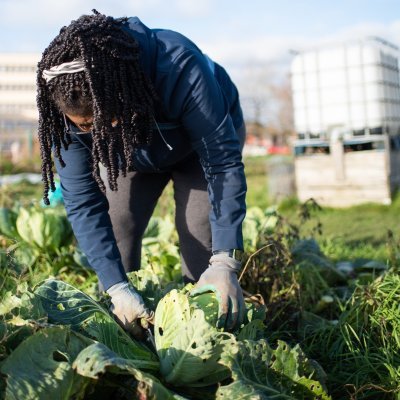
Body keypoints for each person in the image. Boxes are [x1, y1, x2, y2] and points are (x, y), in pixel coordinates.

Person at [36, 10, 247, 335]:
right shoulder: (63, 113)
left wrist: (224, 262)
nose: (93, 131)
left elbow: (222, 163)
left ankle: (207, 337)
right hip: (134, 154)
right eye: (86, 127)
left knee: (198, 230)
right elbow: (82, 201)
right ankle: (131, 320)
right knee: (119, 225)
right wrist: (116, 287)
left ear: (121, 90)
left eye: (102, 120)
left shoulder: (179, 66)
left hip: (199, 150)